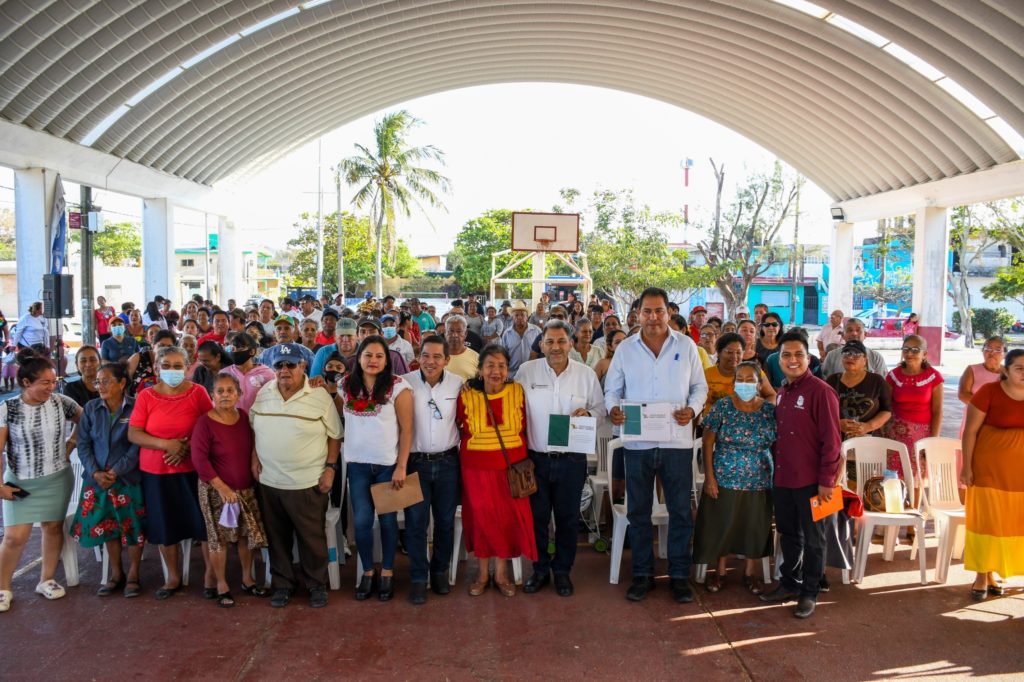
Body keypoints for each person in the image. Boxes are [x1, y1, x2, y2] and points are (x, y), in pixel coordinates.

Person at [604, 287, 708, 604]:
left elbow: (700, 387)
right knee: (639, 512)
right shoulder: (626, 349)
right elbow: (612, 389)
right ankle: (642, 575)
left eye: (658, 311)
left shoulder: (686, 346)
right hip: (637, 443)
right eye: (647, 311)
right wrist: (613, 408)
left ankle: (679, 576)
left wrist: (693, 409)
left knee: (680, 511)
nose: (653, 317)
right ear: (638, 314)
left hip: (677, 442)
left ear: (668, 312)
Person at [517, 320, 606, 597]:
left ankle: (563, 571)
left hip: (572, 460)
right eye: (550, 342)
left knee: (567, 519)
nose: (555, 347)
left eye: (561, 341)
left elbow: (600, 409)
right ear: (542, 345)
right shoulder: (526, 372)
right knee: (538, 518)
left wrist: (588, 414)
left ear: (571, 344)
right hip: (536, 460)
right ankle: (540, 569)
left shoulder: (585, 374)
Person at [251, 342, 342, 609]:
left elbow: (335, 435)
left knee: (311, 538)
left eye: (291, 364)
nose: (285, 370)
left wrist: (330, 468)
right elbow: (255, 429)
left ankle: (316, 584)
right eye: (279, 365)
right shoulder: (264, 393)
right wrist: (254, 457)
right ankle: (282, 584)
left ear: (303, 366)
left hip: (307, 482)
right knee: (276, 538)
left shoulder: (319, 395)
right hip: (270, 482)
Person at [759, 330, 841, 619]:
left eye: (798, 355)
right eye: (786, 355)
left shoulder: (821, 392)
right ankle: (789, 583)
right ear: (778, 359)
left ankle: (809, 592)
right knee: (789, 534)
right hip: (784, 479)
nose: (792, 360)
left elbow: (833, 441)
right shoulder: (782, 392)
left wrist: (827, 482)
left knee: (815, 539)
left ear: (809, 358)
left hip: (814, 483)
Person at [127, 345, 214, 600]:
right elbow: (134, 433)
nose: (172, 370)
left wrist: (186, 447)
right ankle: (173, 577)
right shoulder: (146, 396)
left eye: (178, 366)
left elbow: (210, 424)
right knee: (166, 525)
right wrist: (167, 444)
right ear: (156, 368)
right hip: (156, 471)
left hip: (193, 469)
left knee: (203, 523)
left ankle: (210, 575)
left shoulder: (198, 392)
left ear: (187, 368)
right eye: (166, 366)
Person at [0, 352, 82, 612]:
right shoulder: (8, 408)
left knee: (53, 528)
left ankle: (46, 579)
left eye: (53, 381)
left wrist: (71, 443)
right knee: (14, 537)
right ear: (26, 383)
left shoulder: (62, 402)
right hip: (20, 482)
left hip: (57, 479)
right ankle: (3, 588)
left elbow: (87, 420)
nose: (51, 387)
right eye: (45, 382)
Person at [456, 344, 536, 597]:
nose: (496, 371)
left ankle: (501, 574)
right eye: (490, 365)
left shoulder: (518, 391)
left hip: (511, 471)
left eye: (501, 366)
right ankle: (481, 574)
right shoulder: (466, 395)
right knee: (481, 520)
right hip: (476, 470)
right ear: (480, 370)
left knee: (506, 520)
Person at [693, 361, 775, 594]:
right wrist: (709, 478)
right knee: (722, 524)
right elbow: (707, 441)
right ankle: (719, 572)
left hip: (759, 477)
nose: (745, 384)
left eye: (750, 380)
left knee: (754, 525)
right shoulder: (723, 406)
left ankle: (749, 573)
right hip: (724, 476)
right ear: (733, 382)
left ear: (759, 384)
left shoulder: (769, 410)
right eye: (740, 379)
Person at [342, 336, 413, 602]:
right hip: (357, 466)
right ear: (359, 357)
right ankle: (368, 572)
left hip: (387, 466)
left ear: (387, 360)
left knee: (387, 520)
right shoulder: (344, 386)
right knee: (361, 521)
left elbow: (407, 429)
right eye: (368, 355)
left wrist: (401, 466)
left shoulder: (398, 386)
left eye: (379, 356)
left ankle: (387, 572)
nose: (373, 360)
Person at [191, 373, 268, 608]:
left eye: (230, 390)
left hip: (245, 488)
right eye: (220, 391)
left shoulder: (243, 417)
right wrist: (222, 488)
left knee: (246, 536)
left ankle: (247, 579)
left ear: (239, 394)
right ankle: (221, 584)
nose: (225, 395)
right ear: (212, 395)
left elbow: (253, 445)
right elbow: (199, 460)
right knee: (219, 539)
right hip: (216, 491)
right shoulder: (204, 423)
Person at [70, 362, 145, 597]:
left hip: (127, 478)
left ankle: (134, 573)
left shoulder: (136, 407)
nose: (100, 386)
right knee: (108, 527)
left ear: (122, 383)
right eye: (97, 382)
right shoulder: (91, 408)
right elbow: (83, 445)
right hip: (98, 480)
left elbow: (137, 445)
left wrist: (116, 471)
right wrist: (95, 472)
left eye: (105, 381)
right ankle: (116, 573)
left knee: (132, 527)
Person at [401, 336, 464, 604]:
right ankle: (418, 577)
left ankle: (439, 572)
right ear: (419, 357)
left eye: (437, 356)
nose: (430, 361)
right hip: (415, 463)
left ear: (447, 360)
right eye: (426, 355)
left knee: (445, 522)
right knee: (416, 523)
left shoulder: (458, 384)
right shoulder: (404, 383)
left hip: (448, 463)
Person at [960, 349, 1024, 600]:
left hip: (1020, 477)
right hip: (987, 472)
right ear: (1005, 370)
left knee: (1014, 525)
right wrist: (966, 467)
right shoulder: (989, 392)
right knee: (987, 524)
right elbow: (970, 432)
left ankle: (998, 572)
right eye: (1019, 368)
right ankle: (981, 575)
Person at [884, 334, 943, 504]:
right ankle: (894, 512)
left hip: (921, 435)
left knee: (917, 476)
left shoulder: (934, 377)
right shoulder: (893, 375)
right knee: (893, 476)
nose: (910, 353)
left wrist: (932, 440)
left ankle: (914, 515)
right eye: (906, 349)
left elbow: (937, 411)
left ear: (925, 354)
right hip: (896, 433)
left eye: (915, 350)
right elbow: (886, 405)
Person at [825, 340, 893, 441]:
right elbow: (823, 409)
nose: (850, 357)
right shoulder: (832, 380)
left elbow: (887, 410)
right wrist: (837, 423)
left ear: (865, 360)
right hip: (836, 437)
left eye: (856, 354)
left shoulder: (877, 381)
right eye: (846, 353)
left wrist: (868, 426)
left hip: (868, 440)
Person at [703, 333, 775, 418]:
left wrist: (761, 413)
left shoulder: (753, 372)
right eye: (729, 352)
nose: (734, 356)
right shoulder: (706, 374)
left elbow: (772, 395)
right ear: (718, 353)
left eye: (738, 352)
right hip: (711, 421)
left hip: (746, 422)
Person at [957, 336, 1005, 437]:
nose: (992, 353)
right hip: (974, 420)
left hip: (1001, 422)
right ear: (982, 351)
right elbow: (963, 395)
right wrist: (987, 409)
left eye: (997, 350)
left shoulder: (1009, 372)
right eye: (988, 349)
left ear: (1004, 354)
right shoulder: (972, 369)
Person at [223, 333, 276, 412]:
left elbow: (274, 400)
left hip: (258, 418)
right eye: (232, 348)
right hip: (231, 418)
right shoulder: (224, 374)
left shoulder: (267, 374)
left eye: (240, 348)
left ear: (252, 351)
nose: (235, 351)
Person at [820, 318, 887, 377]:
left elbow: (882, 382)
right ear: (843, 335)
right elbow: (826, 382)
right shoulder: (832, 356)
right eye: (849, 330)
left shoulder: (876, 357)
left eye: (858, 330)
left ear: (865, 334)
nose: (854, 333)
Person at [125, 329, 176, 396]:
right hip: (135, 400)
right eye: (161, 345)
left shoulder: (173, 364)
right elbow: (122, 382)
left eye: (169, 347)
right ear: (153, 345)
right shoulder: (138, 358)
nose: (165, 350)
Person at [500, 301, 541, 376]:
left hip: (532, 373)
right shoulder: (507, 333)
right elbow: (503, 354)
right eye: (516, 315)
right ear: (512, 317)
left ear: (527, 317)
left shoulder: (536, 331)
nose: (519, 317)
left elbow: (542, 352)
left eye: (522, 315)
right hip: (512, 374)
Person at [444, 314, 479, 380]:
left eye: (459, 331)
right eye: (451, 331)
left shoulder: (476, 357)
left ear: (465, 334)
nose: (455, 335)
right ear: (445, 333)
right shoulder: (437, 356)